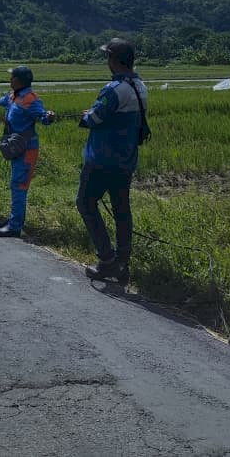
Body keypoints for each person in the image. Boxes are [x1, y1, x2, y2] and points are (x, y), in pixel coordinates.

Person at [76, 37, 149, 284]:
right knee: (121, 211)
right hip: (126, 160)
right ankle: (122, 263)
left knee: (85, 203)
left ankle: (107, 260)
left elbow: (94, 119)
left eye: (107, 57)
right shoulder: (140, 86)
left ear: (113, 60)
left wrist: (86, 116)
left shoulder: (114, 90)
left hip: (102, 160)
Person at [0, 65, 56, 238]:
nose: (9, 79)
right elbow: (1, 101)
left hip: (26, 149)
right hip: (16, 146)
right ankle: (14, 219)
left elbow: (42, 116)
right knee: (15, 184)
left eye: (12, 77)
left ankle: (15, 227)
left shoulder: (30, 98)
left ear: (19, 81)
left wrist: (48, 117)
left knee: (19, 185)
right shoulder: (14, 96)